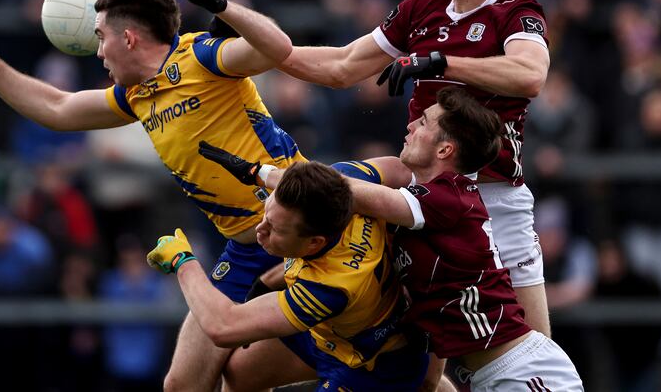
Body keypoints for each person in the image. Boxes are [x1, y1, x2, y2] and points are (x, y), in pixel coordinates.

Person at [0, 0, 305, 391]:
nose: (99, 51)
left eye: (101, 37)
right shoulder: (135, 95)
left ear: (129, 38)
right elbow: (57, 108)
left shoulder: (202, 56)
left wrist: (221, 5)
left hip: (299, 228)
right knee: (183, 384)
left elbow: (278, 48)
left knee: (280, 367)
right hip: (246, 250)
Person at [278, 0, 552, 341]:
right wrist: (243, 37)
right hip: (425, 194)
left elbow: (530, 75)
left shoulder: (517, 11)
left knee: (533, 344)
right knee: (417, 349)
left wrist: (441, 61)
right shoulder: (423, 4)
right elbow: (342, 65)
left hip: (496, 199)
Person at [206, 86, 582, 391]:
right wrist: (268, 282)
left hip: (523, 370)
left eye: (423, 122)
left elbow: (342, 192)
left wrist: (261, 172)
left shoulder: (450, 198)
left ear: (445, 149)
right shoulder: (423, 204)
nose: (411, 125)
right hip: (486, 374)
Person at [146, 159, 428, 392]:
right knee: (241, 374)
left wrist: (183, 262)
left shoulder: (329, 288)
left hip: (371, 365)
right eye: (267, 216)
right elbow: (399, 168)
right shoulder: (341, 184)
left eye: (276, 230)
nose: (260, 231)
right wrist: (265, 174)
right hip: (334, 333)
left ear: (314, 243)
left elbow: (223, 327)